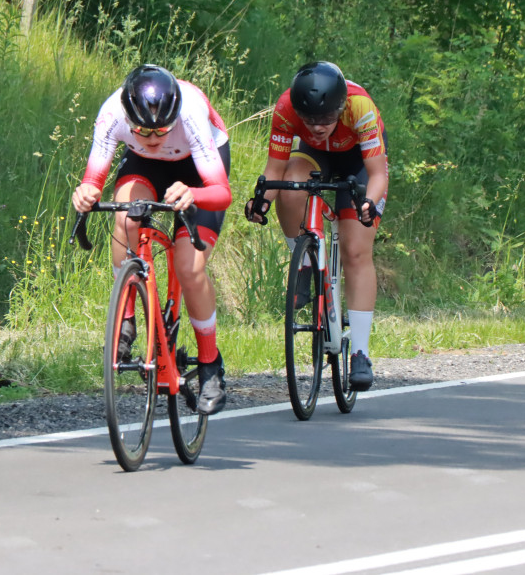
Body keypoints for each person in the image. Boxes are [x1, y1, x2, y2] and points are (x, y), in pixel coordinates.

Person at [72, 64, 233, 414]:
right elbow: (92, 181)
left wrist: (194, 194)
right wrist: (84, 193)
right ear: (128, 118)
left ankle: (210, 365)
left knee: (189, 267)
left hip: (197, 168)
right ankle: (126, 320)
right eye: (142, 130)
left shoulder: (189, 114)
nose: (154, 136)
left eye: (162, 129)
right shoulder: (112, 113)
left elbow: (221, 193)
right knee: (125, 215)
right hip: (145, 167)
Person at [244, 61, 388, 391]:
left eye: (325, 119)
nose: (317, 126)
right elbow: (275, 168)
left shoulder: (359, 106)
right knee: (291, 184)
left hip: (360, 163)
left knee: (355, 250)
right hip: (314, 158)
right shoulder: (285, 109)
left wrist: (367, 203)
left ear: (340, 107)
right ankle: (306, 262)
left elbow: (377, 174)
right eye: (309, 120)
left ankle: (361, 353)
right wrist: (261, 200)